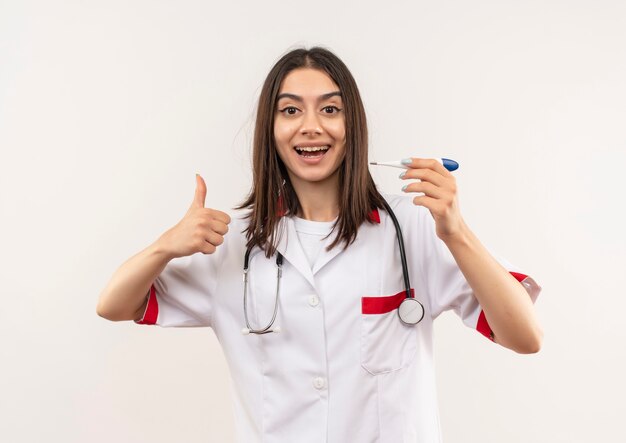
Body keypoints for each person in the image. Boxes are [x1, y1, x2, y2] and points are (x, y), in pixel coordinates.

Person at [97, 46, 542, 443]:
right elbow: (114, 305)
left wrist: (455, 232)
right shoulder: (234, 243)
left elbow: (525, 336)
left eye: (330, 110)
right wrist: (164, 248)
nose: (311, 127)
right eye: (290, 111)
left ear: (353, 125)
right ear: (270, 130)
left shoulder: (413, 228)